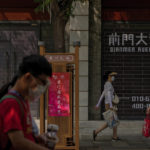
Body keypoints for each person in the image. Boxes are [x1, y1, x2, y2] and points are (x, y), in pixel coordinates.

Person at [0, 55, 56, 150]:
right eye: (41, 83)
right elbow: (18, 142)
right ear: (28, 77)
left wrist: (37, 139)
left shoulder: (23, 101)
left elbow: (24, 135)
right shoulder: (11, 103)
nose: (42, 88)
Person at [93, 71, 120, 141]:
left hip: (108, 104)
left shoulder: (107, 84)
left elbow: (103, 94)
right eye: (112, 76)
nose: (113, 77)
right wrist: (111, 105)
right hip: (109, 105)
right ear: (109, 76)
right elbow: (107, 94)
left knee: (113, 120)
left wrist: (98, 104)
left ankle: (114, 136)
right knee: (113, 120)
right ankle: (97, 132)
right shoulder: (108, 84)